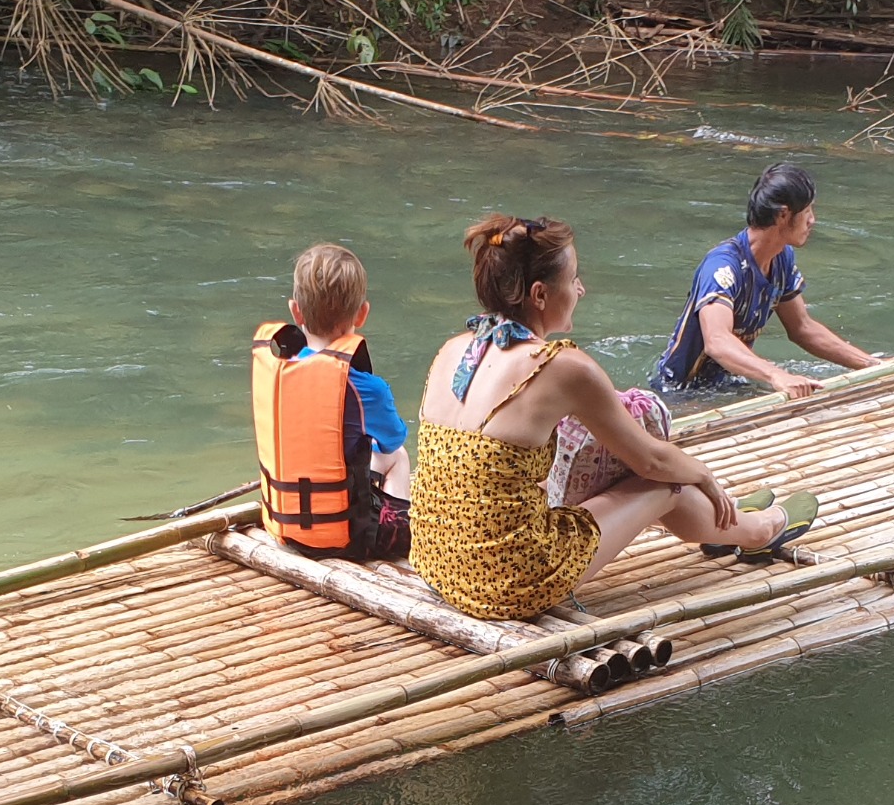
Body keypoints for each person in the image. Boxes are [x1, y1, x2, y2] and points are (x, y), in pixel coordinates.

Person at [410, 214, 820, 622]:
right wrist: (704, 475)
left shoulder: (452, 350)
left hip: (437, 565)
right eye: (573, 280)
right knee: (669, 482)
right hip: (507, 584)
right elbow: (653, 462)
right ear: (539, 294)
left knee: (636, 472)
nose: (581, 289)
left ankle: (725, 521)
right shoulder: (561, 366)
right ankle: (758, 532)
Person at [653, 162, 880, 399]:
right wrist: (776, 375)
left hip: (727, 384)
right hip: (682, 393)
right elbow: (717, 341)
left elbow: (803, 328)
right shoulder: (722, 267)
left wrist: (871, 364)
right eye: (807, 211)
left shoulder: (781, 258)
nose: (813, 220)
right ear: (783, 214)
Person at [250, 243, 412, 562]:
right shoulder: (365, 387)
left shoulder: (280, 369)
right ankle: (397, 534)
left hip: (285, 529)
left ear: (296, 311)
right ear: (362, 313)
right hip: (347, 540)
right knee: (399, 457)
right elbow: (393, 440)